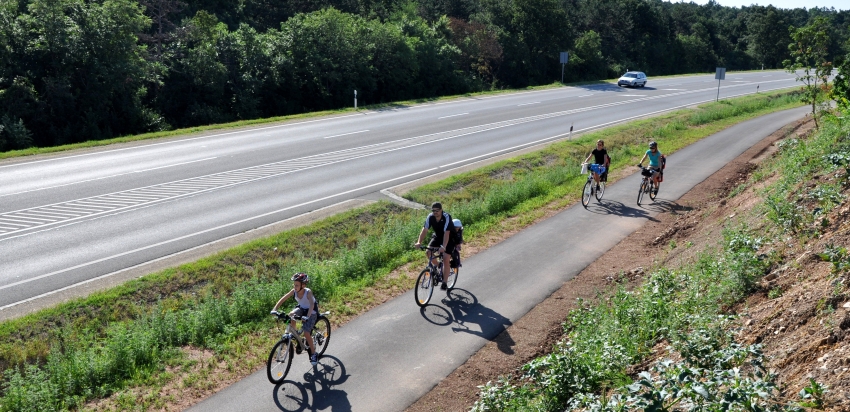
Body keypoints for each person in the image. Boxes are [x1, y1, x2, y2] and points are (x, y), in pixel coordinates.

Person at [271, 272, 320, 365]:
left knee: (306, 333)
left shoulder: (308, 292)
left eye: (297, 285)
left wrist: (307, 316)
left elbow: (312, 305)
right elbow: (283, 299)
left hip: (311, 311)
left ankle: (314, 354)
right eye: (294, 285)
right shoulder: (294, 291)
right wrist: (275, 309)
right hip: (301, 308)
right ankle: (295, 333)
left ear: (303, 285)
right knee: (290, 315)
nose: (295, 287)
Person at [414, 202, 456, 290]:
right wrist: (419, 242)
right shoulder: (430, 217)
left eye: (437, 210)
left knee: (445, 258)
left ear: (441, 210)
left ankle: (444, 282)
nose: (435, 212)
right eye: (433, 210)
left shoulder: (446, 217)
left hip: (449, 238)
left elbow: (447, 233)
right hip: (438, 237)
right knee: (428, 252)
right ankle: (439, 265)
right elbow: (425, 229)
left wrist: (443, 247)